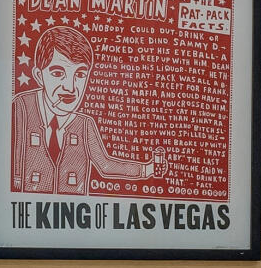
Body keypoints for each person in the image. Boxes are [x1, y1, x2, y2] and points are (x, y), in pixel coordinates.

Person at [10, 21, 165, 193]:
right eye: (58, 73)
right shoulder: (22, 107)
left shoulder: (85, 124)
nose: (70, 87)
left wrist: (146, 170)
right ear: (39, 76)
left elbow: (105, 165)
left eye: (80, 74)